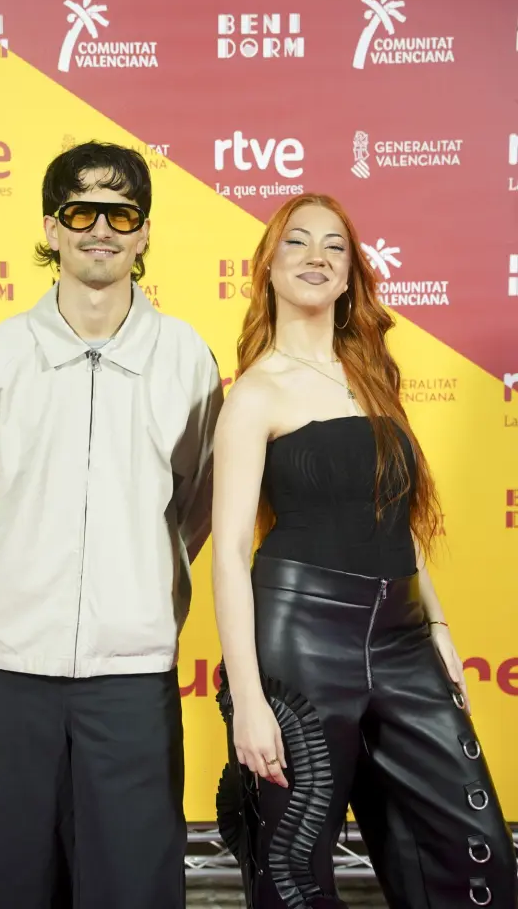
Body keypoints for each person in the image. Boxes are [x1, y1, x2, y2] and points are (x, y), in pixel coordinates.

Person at [0, 140, 223, 909]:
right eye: (81, 211)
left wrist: (132, 581)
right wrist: (27, 571)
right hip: (10, 672)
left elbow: (196, 508)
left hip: (132, 677)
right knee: (7, 882)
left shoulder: (186, 357)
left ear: (145, 232)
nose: (102, 227)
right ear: (51, 227)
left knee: (136, 884)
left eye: (121, 212)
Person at [211, 193, 516, 909]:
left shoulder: (377, 379)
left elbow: (398, 516)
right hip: (300, 642)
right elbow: (228, 553)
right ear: (268, 267)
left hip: (403, 637)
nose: (316, 256)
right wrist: (249, 702)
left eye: (334, 247)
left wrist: (436, 628)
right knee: (293, 871)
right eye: (297, 243)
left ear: (350, 276)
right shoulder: (255, 394)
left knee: (475, 862)